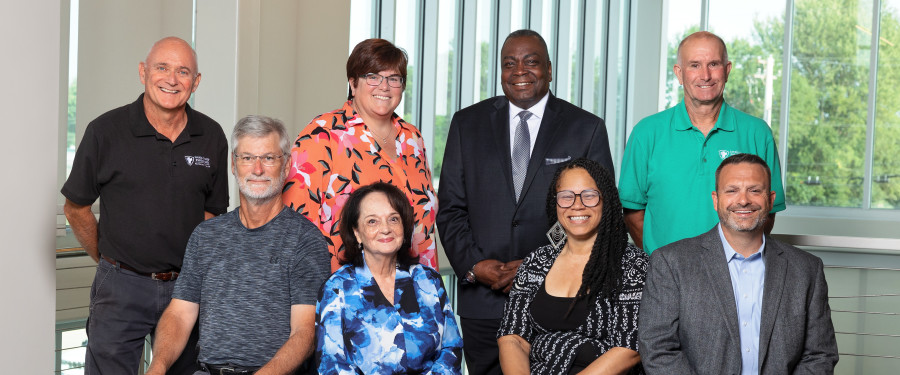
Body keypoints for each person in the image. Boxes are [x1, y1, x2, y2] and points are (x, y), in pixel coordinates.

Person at [437, 29, 614, 374]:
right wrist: (475, 266)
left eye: (531, 61)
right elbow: (451, 209)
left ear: (549, 68)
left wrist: (538, 264)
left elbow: (595, 212)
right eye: (509, 63)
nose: (520, 70)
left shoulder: (586, 128)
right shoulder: (466, 123)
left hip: (558, 299)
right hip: (483, 302)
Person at [61, 36, 228, 374]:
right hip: (121, 287)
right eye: (161, 68)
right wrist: (108, 259)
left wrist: (195, 275)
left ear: (196, 82)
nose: (171, 79)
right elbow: (75, 207)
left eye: (183, 72)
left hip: (186, 289)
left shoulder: (211, 136)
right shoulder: (105, 132)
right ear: (143, 72)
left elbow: (213, 215)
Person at [145, 115, 331, 374]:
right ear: (234, 165)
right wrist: (157, 366)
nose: (257, 169)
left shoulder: (305, 240)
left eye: (268, 158)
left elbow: (305, 332)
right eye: (247, 158)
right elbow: (179, 315)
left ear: (286, 165)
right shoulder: (206, 236)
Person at [638, 153, 839, 374]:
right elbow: (658, 350)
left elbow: (820, 355)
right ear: (716, 200)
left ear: (771, 200)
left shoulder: (806, 269)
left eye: (754, 190)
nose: (743, 200)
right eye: (732, 190)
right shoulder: (671, 263)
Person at [618, 31, 786, 254]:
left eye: (714, 64)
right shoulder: (646, 133)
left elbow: (767, 210)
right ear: (679, 73)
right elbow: (633, 212)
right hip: (665, 276)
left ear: (727, 70)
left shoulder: (757, 132)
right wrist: (662, 262)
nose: (705, 75)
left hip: (735, 274)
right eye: (695, 65)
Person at [283, 38, 438, 272]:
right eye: (373, 76)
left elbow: (425, 224)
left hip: (412, 290)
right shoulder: (323, 134)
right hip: (341, 293)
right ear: (353, 83)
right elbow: (294, 223)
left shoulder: (412, 138)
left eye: (394, 79)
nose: (384, 86)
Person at [498, 158, 647, 375]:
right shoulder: (537, 261)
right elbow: (513, 337)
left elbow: (630, 347)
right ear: (555, 203)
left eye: (589, 195)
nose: (577, 204)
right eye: (566, 196)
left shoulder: (632, 264)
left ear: (606, 201)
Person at [316, 182, 463, 374]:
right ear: (357, 232)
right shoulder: (336, 289)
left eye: (393, 219)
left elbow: (451, 350)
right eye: (372, 221)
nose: (385, 229)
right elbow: (331, 366)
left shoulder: (429, 280)